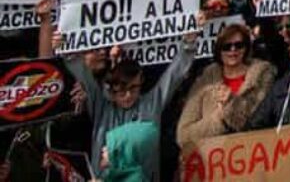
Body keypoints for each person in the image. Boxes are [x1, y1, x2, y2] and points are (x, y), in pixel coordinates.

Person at [54, 24, 199, 182]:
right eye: (121, 91)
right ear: (110, 90)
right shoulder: (101, 106)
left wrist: (189, 43)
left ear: (141, 82)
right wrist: (65, 48)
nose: (128, 95)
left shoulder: (151, 103)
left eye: (134, 88)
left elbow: (174, 76)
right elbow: (83, 75)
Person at [176, 23, 276, 146]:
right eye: (227, 47)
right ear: (219, 49)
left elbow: (257, 124)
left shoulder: (262, 75)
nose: (233, 50)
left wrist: (230, 104)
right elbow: (183, 136)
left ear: (246, 48)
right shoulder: (206, 79)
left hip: (252, 154)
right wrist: (220, 121)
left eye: (238, 45)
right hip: (213, 158)